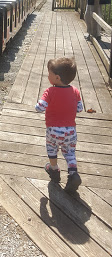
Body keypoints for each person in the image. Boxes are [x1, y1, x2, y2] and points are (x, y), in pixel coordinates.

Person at [35, 57, 83, 193]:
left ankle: (54, 170)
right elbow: (79, 108)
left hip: (53, 131)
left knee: (52, 149)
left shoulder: (50, 92)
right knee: (69, 153)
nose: (47, 75)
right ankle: (73, 173)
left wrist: (39, 104)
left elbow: (39, 107)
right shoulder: (75, 91)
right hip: (70, 131)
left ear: (56, 77)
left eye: (49, 73)